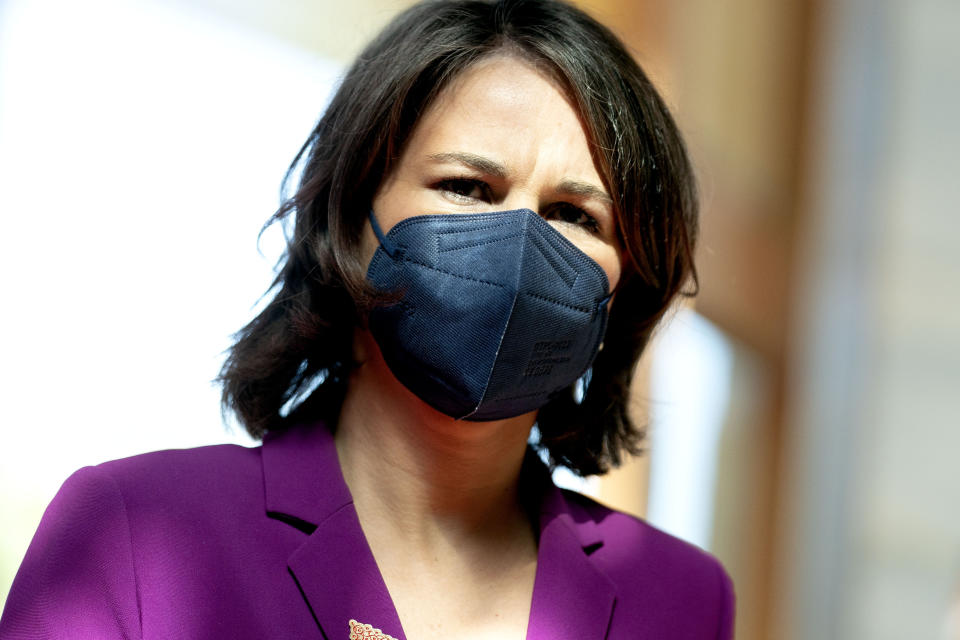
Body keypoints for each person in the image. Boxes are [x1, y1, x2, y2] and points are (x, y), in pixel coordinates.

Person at [0, 0, 734, 638]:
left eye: (574, 214)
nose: (519, 245)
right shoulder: (136, 531)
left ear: (626, 283)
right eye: (468, 187)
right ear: (351, 221)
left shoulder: (682, 601)